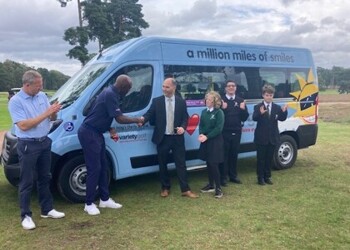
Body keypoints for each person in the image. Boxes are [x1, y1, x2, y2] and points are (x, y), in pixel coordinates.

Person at [8, 70, 65, 230]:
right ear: (27, 84)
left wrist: (53, 113)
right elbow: (24, 126)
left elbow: (50, 118)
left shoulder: (41, 96)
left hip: (44, 141)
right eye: (38, 86)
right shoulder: (16, 101)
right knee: (26, 181)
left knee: (45, 177)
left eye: (41, 85)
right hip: (28, 144)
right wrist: (46, 113)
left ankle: (47, 209)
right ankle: (25, 215)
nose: (40, 88)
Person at [78, 74, 142, 215]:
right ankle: (88, 204)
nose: (128, 92)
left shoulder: (109, 92)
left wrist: (109, 128)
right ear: (124, 87)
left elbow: (98, 113)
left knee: (103, 167)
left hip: (97, 132)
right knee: (94, 168)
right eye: (129, 89)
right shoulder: (110, 95)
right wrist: (137, 119)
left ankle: (104, 199)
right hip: (89, 133)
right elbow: (119, 119)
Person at [141, 78, 198, 198]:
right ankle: (165, 188)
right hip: (163, 138)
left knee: (181, 164)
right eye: (163, 86)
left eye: (167, 87)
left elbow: (185, 118)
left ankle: (185, 189)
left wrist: (183, 127)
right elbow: (149, 114)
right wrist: (142, 120)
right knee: (163, 164)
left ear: (174, 88)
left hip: (177, 138)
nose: (164, 89)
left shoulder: (181, 102)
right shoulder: (157, 101)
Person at [252, 84, 288, 185]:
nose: (269, 97)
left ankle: (267, 176)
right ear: (263, 95)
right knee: (261, 159)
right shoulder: (258, 107)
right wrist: (260, 113)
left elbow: (281, 118)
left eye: (271, 95)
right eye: (267, 95)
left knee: (269, 159)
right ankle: (260, 178)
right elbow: (254, 118)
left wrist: (284, 112)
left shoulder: (276, 107)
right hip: (261, 138)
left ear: (273, 96)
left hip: (272, 137)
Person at [219, 80, 249, 185]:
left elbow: (245, 118)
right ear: (225, 88)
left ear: (236, 88)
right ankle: (223, 177)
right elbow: (218, 117)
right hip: (224, 132)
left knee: (234, 154)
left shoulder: (240, 100)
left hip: (236, 131)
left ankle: (233, 176)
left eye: (233, 86)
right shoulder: (221, 100)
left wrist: (243, 110)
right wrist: (223, 109)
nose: (231, 87)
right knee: (224, 154)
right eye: (229, 86)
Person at [198, 91, 225, 198]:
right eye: (206, 99)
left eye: (209, 99)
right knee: (208, 163)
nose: (207, 101)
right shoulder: (204, 112)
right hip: (205, 140)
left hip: (215, 141)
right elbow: (201, 125)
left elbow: (218, 128)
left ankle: (218, 188)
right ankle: (210, 185)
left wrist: (207, 136)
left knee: (214, 164)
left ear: (215, 101)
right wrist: (201, 134)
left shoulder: (219, 113)